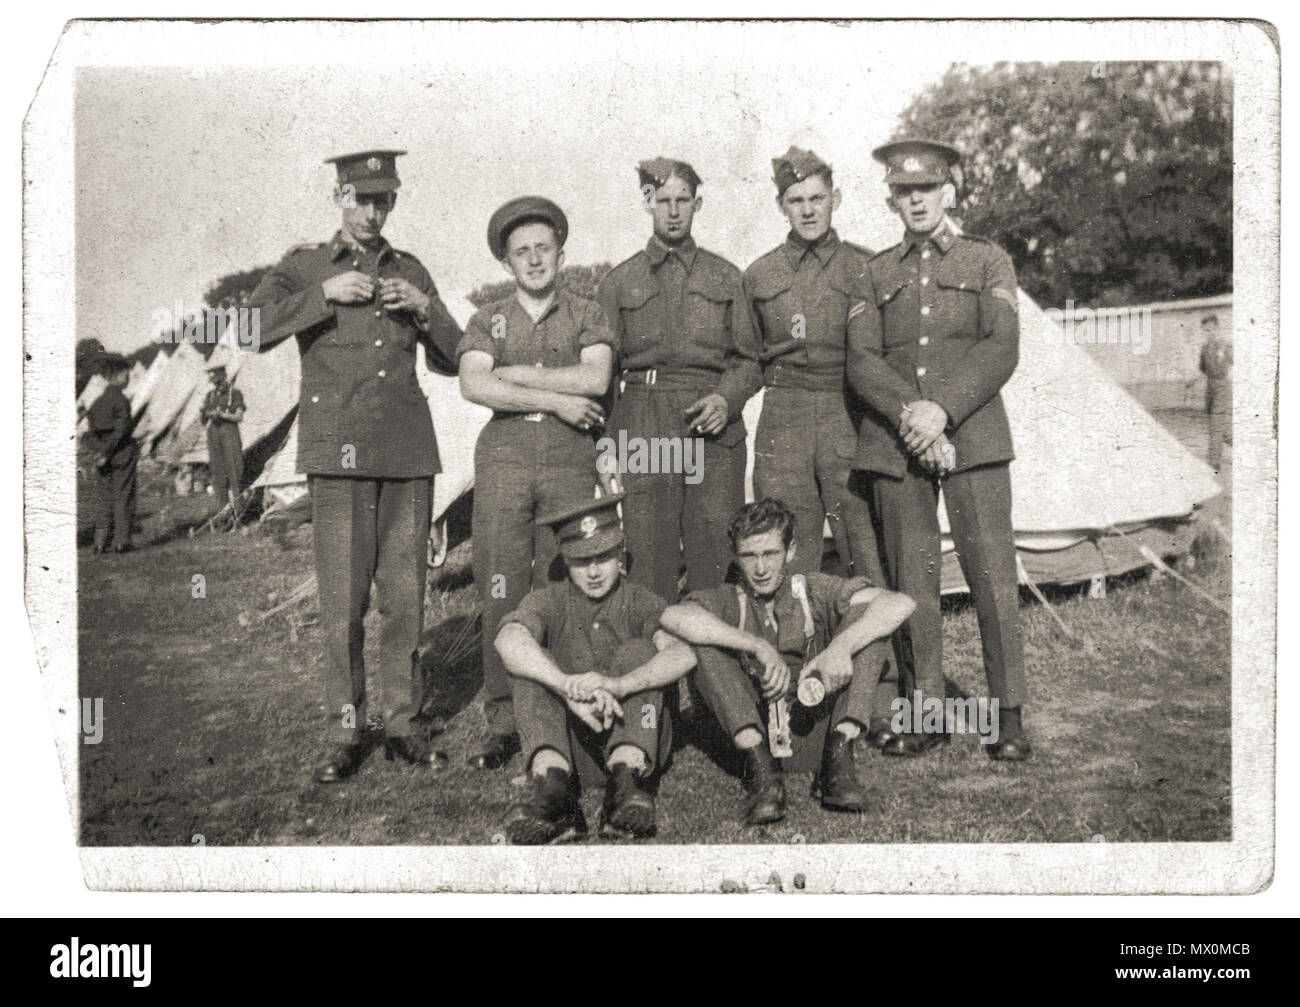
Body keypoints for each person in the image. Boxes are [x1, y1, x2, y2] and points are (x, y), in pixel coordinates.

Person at [247, 148, 465, 783]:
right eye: (362, 198)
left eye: (384, 200)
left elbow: (455, 358)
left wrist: (425, 309)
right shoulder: (303, 266)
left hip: (405, 452)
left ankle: (403, 722)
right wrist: (321, 295)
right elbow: (247, 329)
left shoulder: (411, 268)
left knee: (405, 599)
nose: (373, 212)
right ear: (337, 196)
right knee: (343, 602)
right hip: (337, 457)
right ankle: (347, 728)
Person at [845, 137, 1030, 762]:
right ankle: (927, 708)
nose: (916, 200)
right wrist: (912, 417)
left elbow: (1001, 345)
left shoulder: (988, 260)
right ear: (891, 199)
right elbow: (862, 359)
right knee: (912, 581)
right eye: (904, 191)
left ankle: (1007, 714)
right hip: (899, 446)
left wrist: (941, 409)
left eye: (926, 189)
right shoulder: (875, 273)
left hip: (972, 440)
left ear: (948, 191)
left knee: (992, 577)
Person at [458, 196, 617, 772]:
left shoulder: (587, 311)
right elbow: (474, 385)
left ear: (560, 253)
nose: (533, 260)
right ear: (506, 263)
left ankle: (562, 706)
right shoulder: (487, 319)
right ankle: (504, 717)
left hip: (569, 461)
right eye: (521, 251)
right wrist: (555, 397)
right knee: (500, 583)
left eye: (543, 249)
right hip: (504, 461)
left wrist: (515, 374)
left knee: (562, 583)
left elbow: (596, 378)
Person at [661, 498, 914, 825]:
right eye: (749, 556)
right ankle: (763, 779)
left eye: (770, 554)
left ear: (790, 551)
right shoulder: (728, 598)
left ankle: (838, 766)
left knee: (870, 627)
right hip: (757, 731)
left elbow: (899, 603)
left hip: (814, 725)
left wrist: (841, 646)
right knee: (706, 643)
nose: (761, 568)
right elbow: (673, 616)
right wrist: (756, 645)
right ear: (736, 558)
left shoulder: (812, 589)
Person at [597, 158, 762, 606]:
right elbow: (604, 377)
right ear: (648, 203)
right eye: (663, 200)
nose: (673, 211)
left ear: (697, 204)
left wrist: (726, 400)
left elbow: (750, 361)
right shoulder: (618, 282)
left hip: (711, 426)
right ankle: (657, 673)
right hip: (645, 421)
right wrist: (607, 448)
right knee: (649, 554)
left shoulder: (728, 278)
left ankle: (713, 672)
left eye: (683, 201)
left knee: (715, 552)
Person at [496, 494, 696, 844]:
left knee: (639, 651)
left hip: (639, 733)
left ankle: (626, 789)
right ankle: (553, 794)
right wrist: (563, 685)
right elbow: (507, 640)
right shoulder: (549, 600)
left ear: (619, 554)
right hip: (571, 747)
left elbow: (683, 654)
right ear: (565, 561)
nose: (592, 572)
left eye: (602, 557)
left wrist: (618, 685)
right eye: (580, 560)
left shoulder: (638, 599)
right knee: (531, 663)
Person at [84, 353, 138, 554]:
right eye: (127, 374)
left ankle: (99, 542)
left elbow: (89, 433)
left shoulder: (97, 402)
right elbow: (121, 431)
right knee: (123, 495)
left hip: (101, 456)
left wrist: (98, 453)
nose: (128, 378)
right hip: (121, 453)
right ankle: (121, 541)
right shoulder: (121, 401)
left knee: (104, 498)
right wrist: (107, 452)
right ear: (121, 375)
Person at [199, 362, 245, 520]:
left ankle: (239, 513)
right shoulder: (210, 396)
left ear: (224, 376)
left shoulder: (235, 393)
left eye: (218, 380)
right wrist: (205, 414)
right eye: (213, 381)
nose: (217, 385)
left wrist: (223, 415)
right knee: (218, 474)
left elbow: (239, 417)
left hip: (229, 433)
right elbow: (203, 420)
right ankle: (223, 513)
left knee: (234, 471)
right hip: (214, 435)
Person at [1198, 314, 1233, 471]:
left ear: (1217, 328)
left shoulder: (1226, 346)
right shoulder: (1204, 348)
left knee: (1216, 425)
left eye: (1211, 329)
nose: (1208, 333)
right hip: (1210, 388)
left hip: (1223, 386)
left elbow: (1233, 364)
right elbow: (1203, 368)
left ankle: (1214, 462)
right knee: (1222, 429)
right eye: (1205, 331)